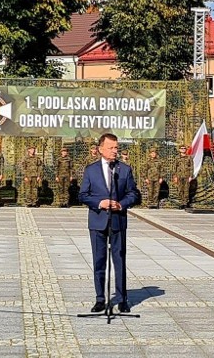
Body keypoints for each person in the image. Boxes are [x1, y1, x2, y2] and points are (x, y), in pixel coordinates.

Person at [79, 133, 141, 313]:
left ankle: (122, 300)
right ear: (100, 149)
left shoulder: (124, 169)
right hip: (98, 221)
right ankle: (100, 299)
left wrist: (121, 204)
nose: (115, 151)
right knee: (99, 261)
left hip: (118, 221)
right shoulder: (90, 170)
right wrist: (100, 203)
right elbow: (83, 195)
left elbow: (134, 194)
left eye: (116, 147)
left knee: (119, 260)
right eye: (111, 148)